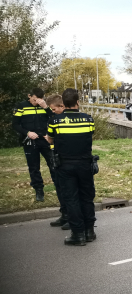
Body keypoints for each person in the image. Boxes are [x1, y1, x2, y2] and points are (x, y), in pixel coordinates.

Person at [45, 88, 96, 246]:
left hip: (65, 165)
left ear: (64, 104)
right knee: (87, 198)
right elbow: (89, 135)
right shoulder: (88, 119)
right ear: (77, 102)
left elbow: (50, 139)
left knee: (71, 199)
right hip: (85, 164)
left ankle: (78, 234)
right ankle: (90, 231)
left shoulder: (55, 121)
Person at [12, 87, 54, 202]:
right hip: (30, 141)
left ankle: (59, 185)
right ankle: (39, 190)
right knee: (34, 167)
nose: (37, 102)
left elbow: (54, 119)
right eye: (35, 99)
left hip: (45, 140)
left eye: (39, 99)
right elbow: (15, 124)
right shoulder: (21, 106)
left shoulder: (45, 106)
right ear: (29, 96)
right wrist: (27, 133)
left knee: (53, 163)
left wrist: (46, 107)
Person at [44, 94, 69, 227]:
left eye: (54, 109)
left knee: (67, 188)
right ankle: (64, 214)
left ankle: (70, 216)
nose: (52, 112)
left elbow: (52, 138)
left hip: (65, 157)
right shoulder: (55, 119)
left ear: (62, 106)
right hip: (56, 156)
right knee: (59, 186)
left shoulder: (65, 119)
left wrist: (49, 138)